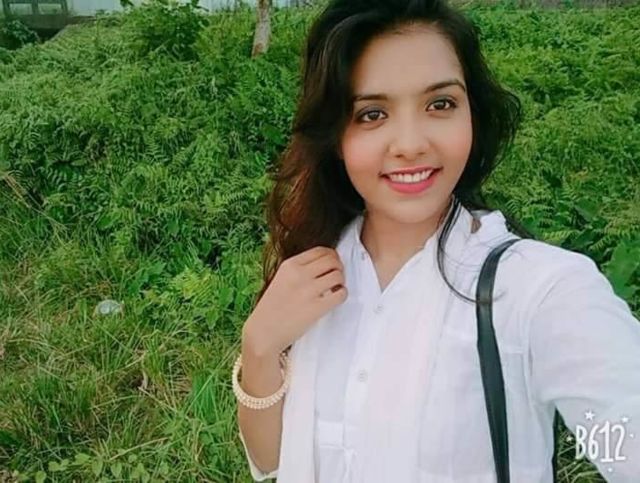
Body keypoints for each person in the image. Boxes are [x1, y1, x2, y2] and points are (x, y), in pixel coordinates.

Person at [233, 0, 640, 481]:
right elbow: (271, 461)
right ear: (335, 137)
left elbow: (622, 431)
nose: (410, 144)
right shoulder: (313, 273)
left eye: (440, 105)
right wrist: (260, 349)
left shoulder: (540, 290)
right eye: (371, 114)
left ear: (473, 114)